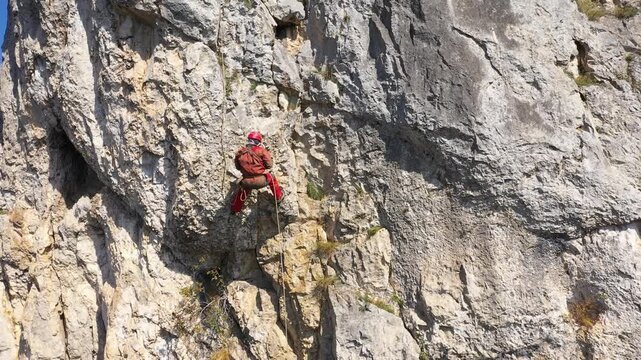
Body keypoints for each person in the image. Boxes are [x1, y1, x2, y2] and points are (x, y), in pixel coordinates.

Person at [231, 131, 284, 213]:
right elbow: (269, 165)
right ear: (258, 142)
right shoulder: (261, 150)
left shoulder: (240, 152)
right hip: (260, 181)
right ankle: (279, 197)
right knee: (271, 177)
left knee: (243, 189)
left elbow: (238, 167)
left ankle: (235, 209)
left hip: (247, 182)